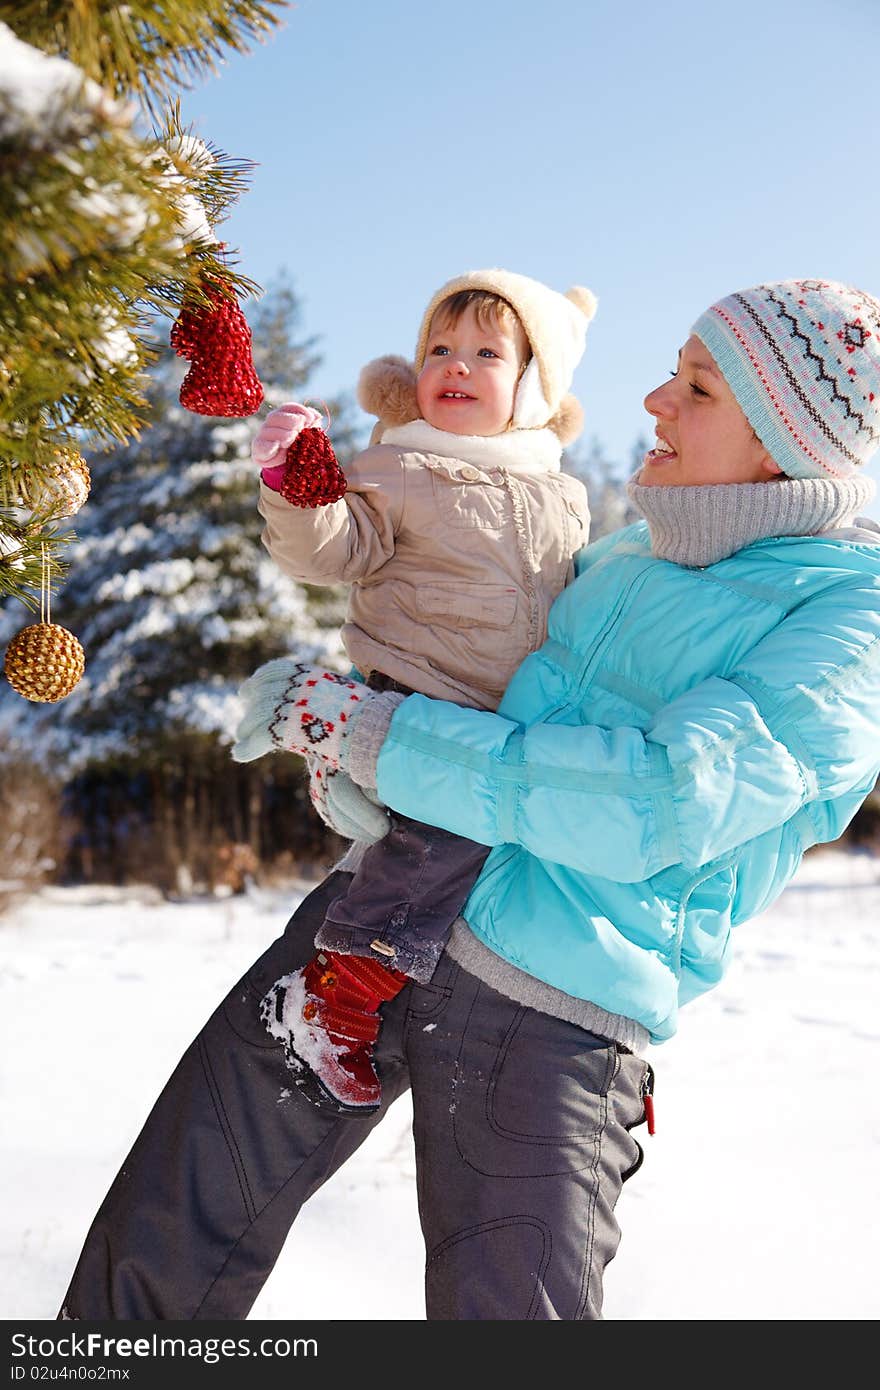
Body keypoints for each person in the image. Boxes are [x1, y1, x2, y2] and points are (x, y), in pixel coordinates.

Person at [59, 277, 880, 1322]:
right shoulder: (627, 548)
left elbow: (659, 797)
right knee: (164, 1227)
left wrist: (383, 738)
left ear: (779, 437)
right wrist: (358, 725)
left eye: (698, 386)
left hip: (548, 1009)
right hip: (383, 911)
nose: (655, 402)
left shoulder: (850, 616)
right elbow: (465, 659)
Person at [235, 268, 595, 1112]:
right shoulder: (400, 467)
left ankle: (354, 797)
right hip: (418, 695)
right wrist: (299, 484)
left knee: (495, 857)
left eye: (484, 352)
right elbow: (330, 552)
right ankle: (333, 1000)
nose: (456, 366)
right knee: (440, 842)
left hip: (506, 719)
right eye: (440, 347)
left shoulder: (563, 491)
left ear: (534, 386)